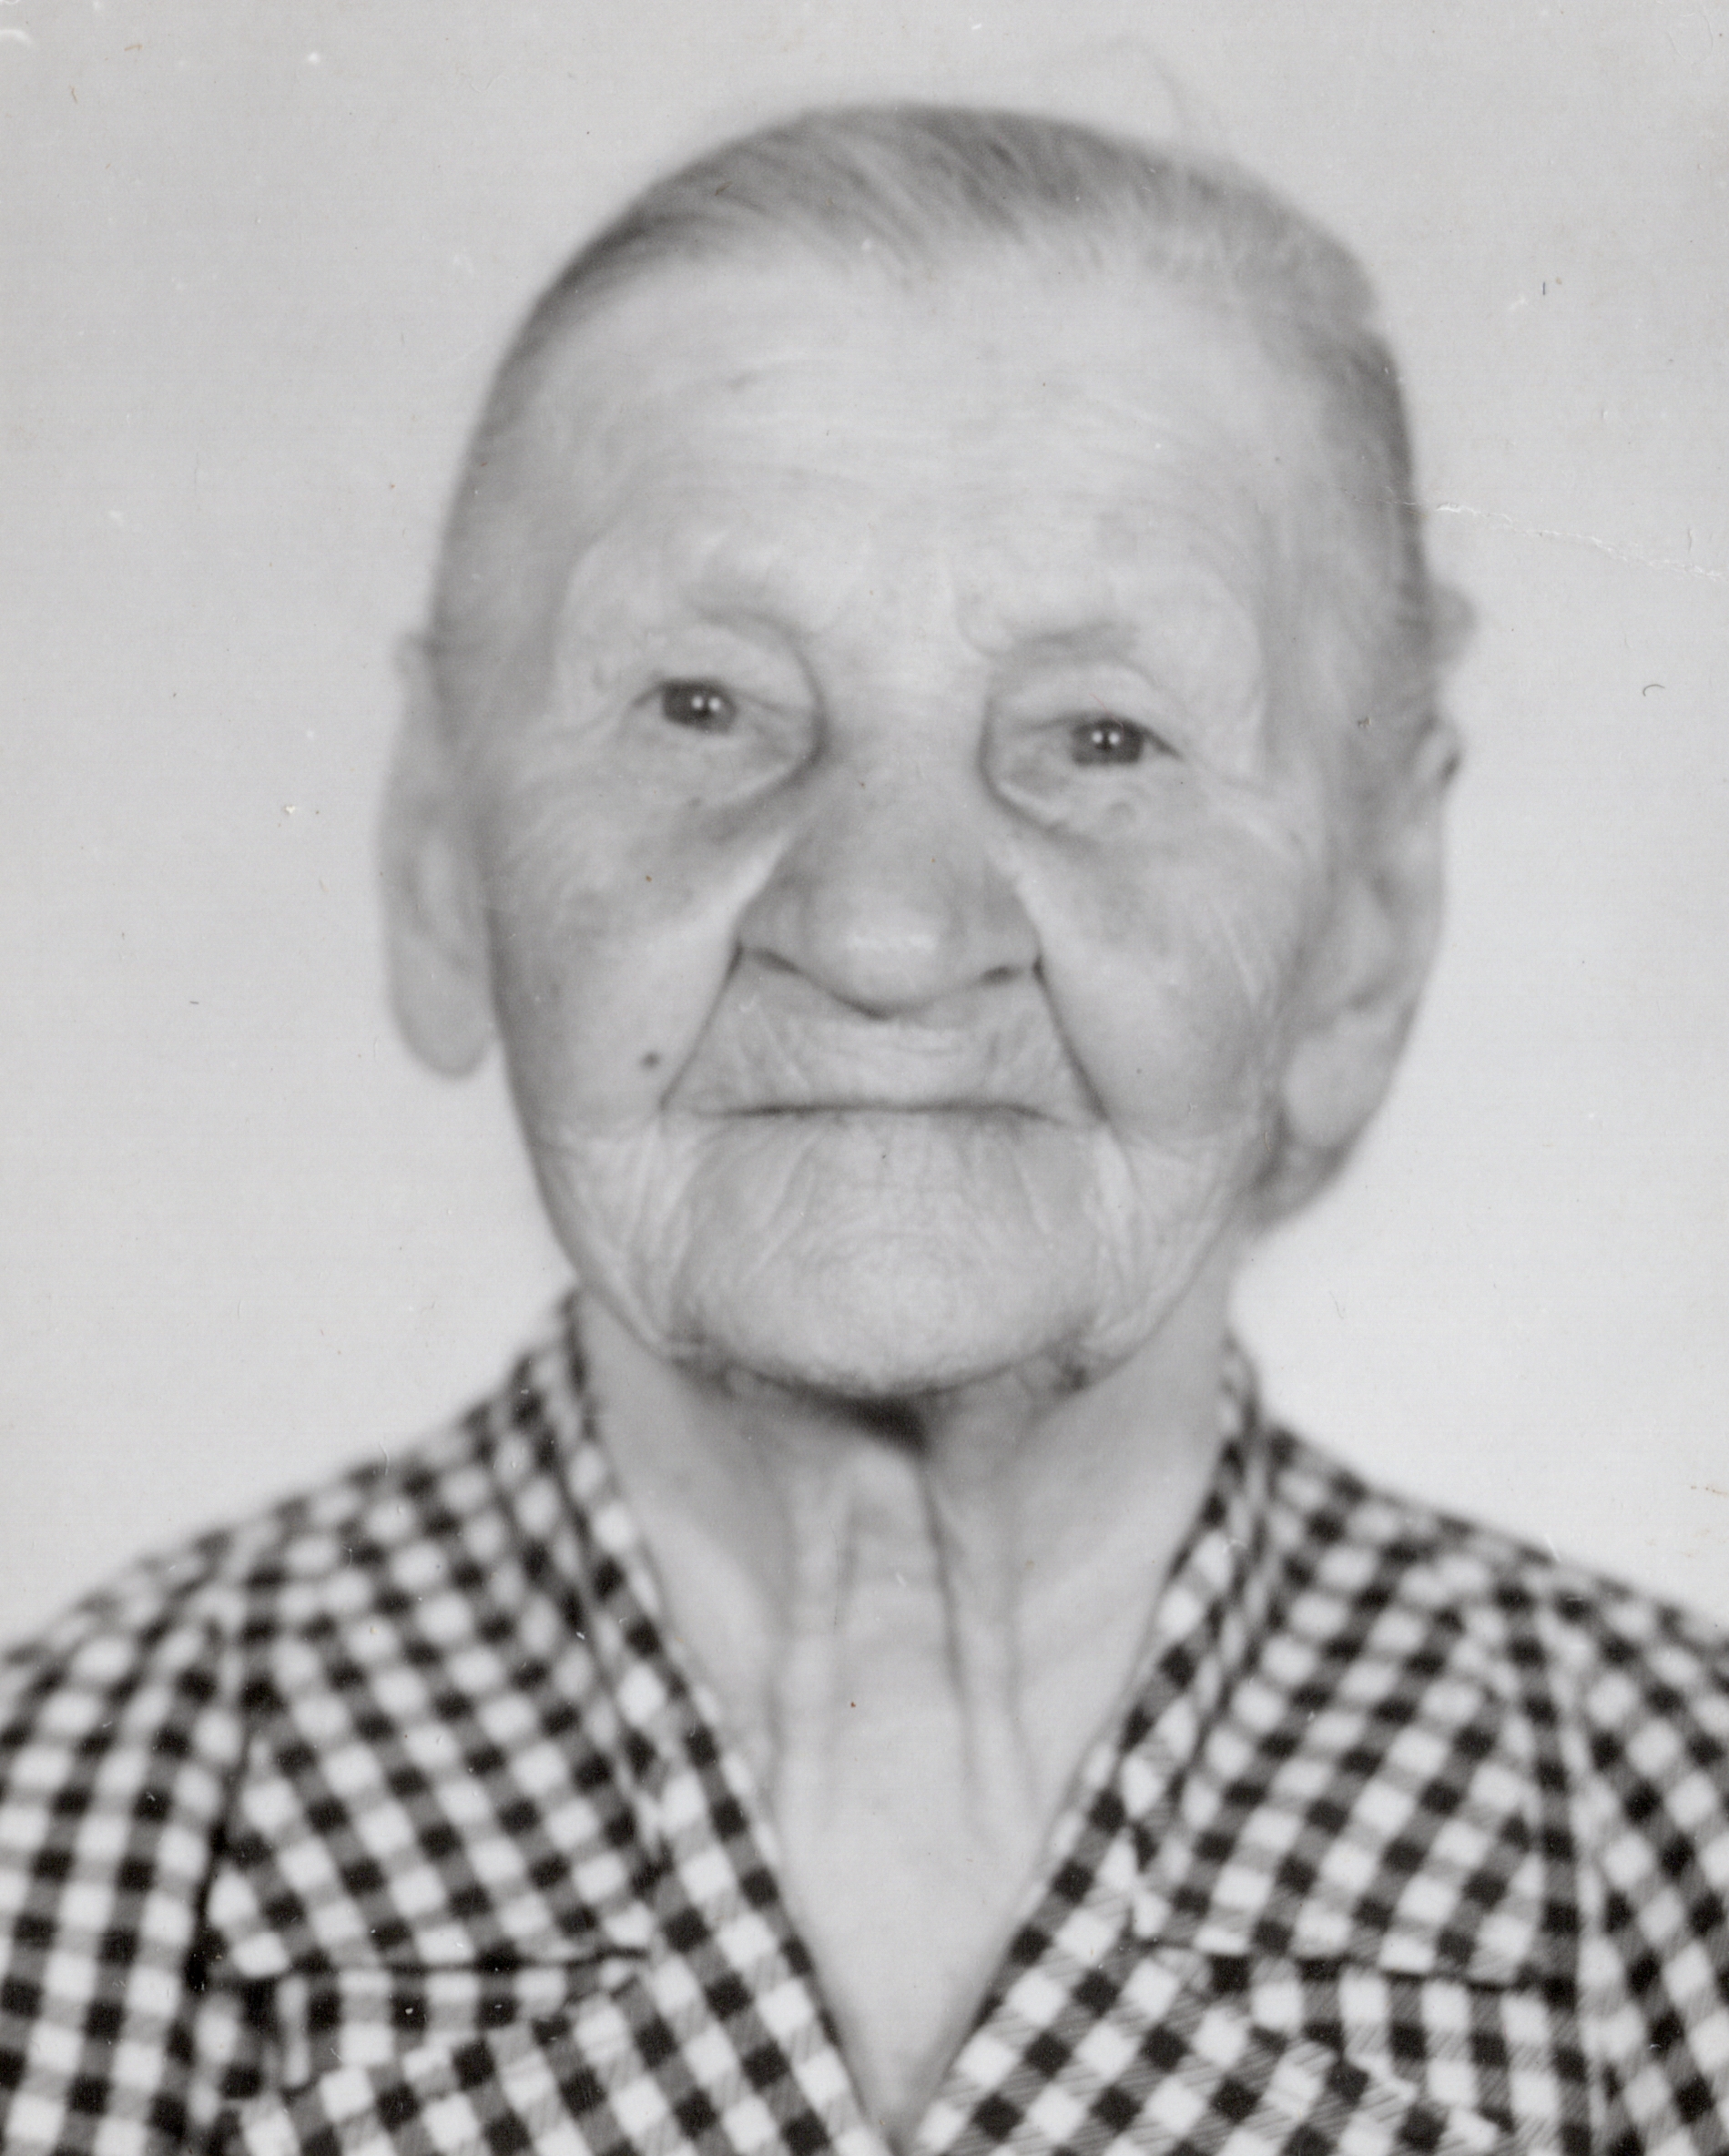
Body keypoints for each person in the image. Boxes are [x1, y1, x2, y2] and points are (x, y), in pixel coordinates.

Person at [2, 103, 1725, 2156]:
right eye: (702, 706)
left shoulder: (1680, 1874)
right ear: (439, 859)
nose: (884, 929)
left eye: (1102, 737)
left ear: (1368, 928)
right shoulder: (49, 1859)